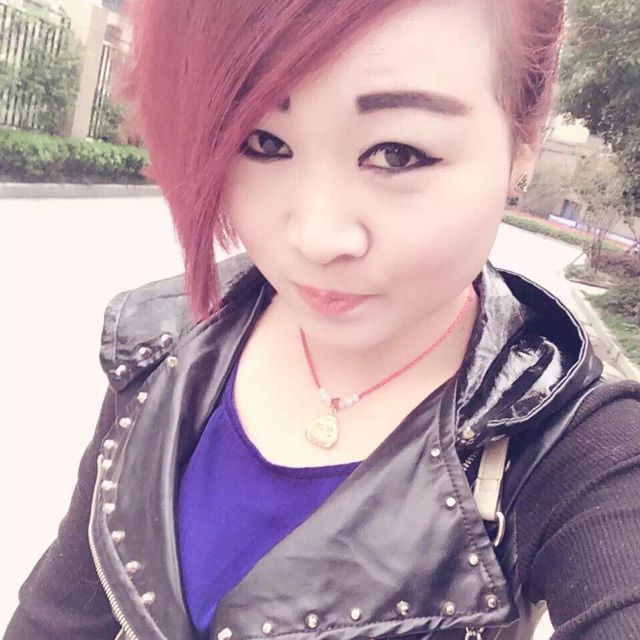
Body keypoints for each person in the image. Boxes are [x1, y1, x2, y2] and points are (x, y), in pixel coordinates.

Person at [5, 1, 640, 639]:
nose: (316, 236)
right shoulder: (163, 345)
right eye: (264, 142)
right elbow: (57, 617)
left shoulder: (578, 451)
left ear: (524, 141)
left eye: (398, 153)